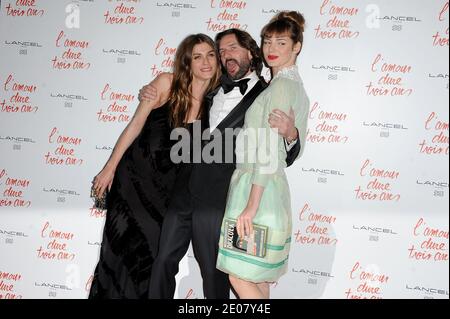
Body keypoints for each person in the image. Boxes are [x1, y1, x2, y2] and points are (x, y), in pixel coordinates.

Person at [139, 28, 302, 299]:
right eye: (222, 51)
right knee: (162, 261)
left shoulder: (268, 93)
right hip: (183, 192)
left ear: (252, 52)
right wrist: (153, 90)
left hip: (221, 198)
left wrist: (291, 134)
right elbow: (177, 91)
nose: (226, 55)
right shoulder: (210, 88)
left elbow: (282, 154)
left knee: (214, 273)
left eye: (233, 48)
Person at [88, 34, 220, 299]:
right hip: (133, 182)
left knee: (150, 260)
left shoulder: (217, 105)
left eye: (210, 55)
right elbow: (135, 126)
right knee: (119, 250)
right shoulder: (166, 84)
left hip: (167, 195)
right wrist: (109, 168)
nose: (205, 62)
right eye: (197, 56)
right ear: (187, 62)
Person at [216, 11, 310, 299]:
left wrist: (250, 206)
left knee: (239, 273)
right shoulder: (290, 85)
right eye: (267, 41)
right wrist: (292, 133)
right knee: (257, 278)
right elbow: (293, 143)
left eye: (281, 43)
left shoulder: (282, 86)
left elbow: (269, 151)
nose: (271, 49)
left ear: (296, 47)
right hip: (267, 186)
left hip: (258, 189)